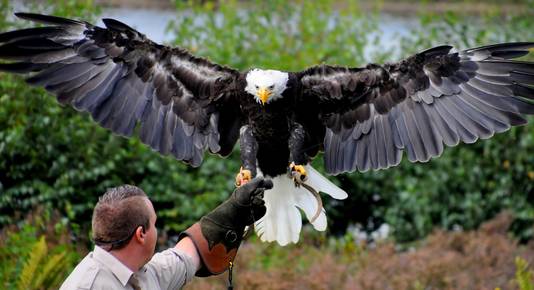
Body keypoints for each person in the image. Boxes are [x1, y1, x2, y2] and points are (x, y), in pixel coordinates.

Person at [60, 178, 272, 290]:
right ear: (141, 234)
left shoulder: (143, 273)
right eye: (154, 223)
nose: (157, 229)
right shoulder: (86, 286)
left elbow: (188, 255)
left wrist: (235, 210)